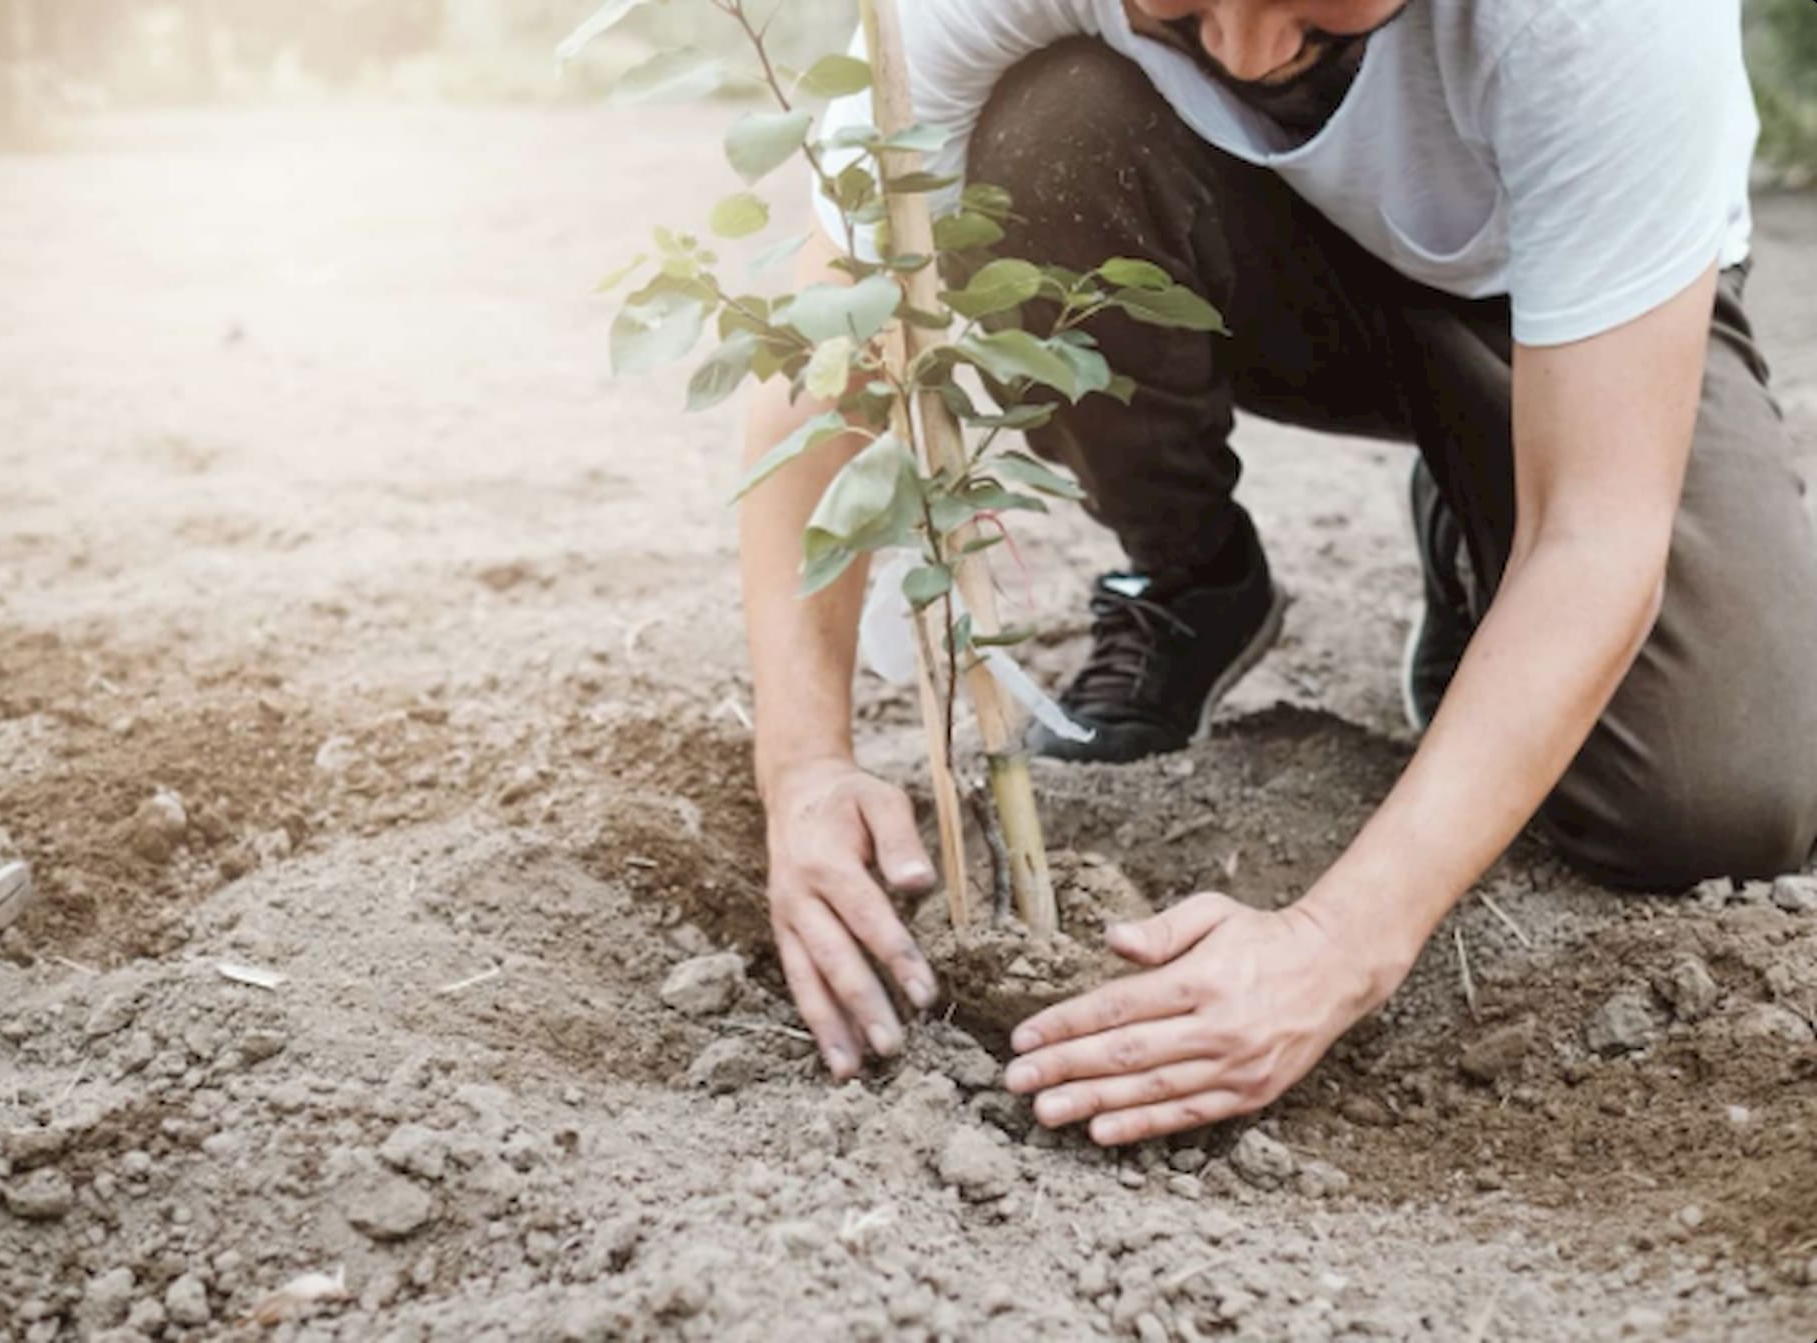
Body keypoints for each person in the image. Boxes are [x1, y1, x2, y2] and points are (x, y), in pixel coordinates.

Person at [738, 0, 1817, 1144]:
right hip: (1243, 251)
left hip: (1559, 312)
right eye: (1183, 3)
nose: (1248, 52)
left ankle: (1486, 525)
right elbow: (830, 338)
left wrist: (1333, 946)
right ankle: (1191, 583)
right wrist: (803, 762)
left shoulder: (1607, 23)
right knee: (1046, 139)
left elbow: (1600, 531)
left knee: (1720, 802)